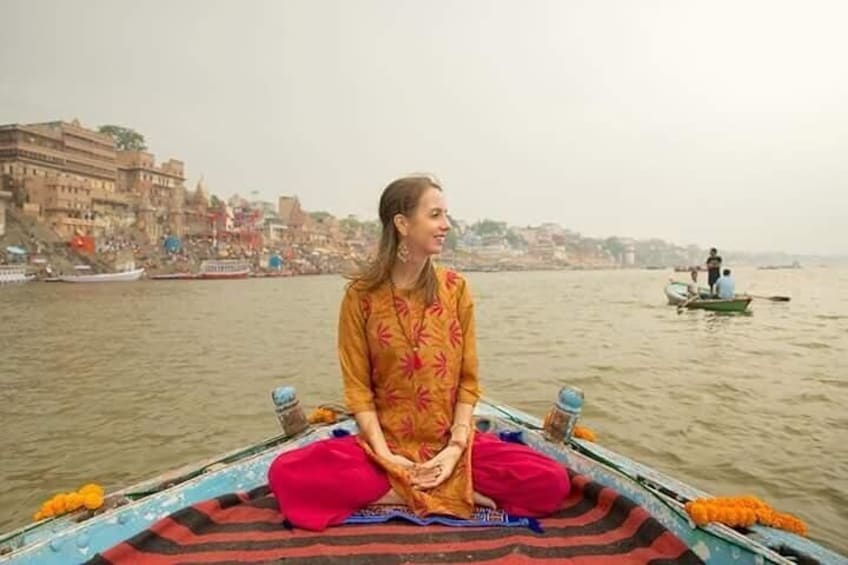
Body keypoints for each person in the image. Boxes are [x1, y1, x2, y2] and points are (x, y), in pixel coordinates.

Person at [267, 175, 570, 531]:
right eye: (436, 215)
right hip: (384, 449)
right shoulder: (360, 296)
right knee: (285, 474)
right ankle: (412, 493)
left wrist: (455, 450)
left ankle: (436, 486)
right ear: (402, 223)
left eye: (446, 215)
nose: (446, 225)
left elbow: (468, 382)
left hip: (451, 445)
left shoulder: (455, 289)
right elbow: (358, 391)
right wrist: (388, 458)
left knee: (552, 481)